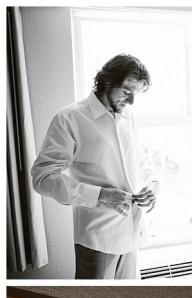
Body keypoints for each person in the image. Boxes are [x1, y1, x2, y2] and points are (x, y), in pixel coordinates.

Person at [31, 54, 158, 280]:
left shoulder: (128, 117)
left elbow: (140, 162)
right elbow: (43, 177)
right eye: (127, 92)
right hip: (98, 237)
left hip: (132, 230)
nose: (130, 102)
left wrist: (153, 186)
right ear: (107, 81)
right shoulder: (69, 118)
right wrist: (100, 195)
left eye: (136, 94)